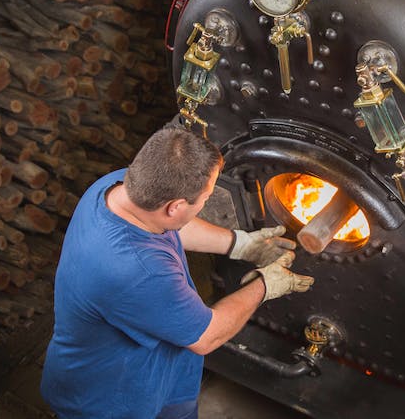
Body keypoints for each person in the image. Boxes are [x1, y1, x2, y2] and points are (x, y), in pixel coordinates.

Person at [40, 126, 314, 419]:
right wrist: (265, 285)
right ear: (176, 206)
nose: (206, 202)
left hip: (157, 374)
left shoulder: (119, 188)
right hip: (112, 398)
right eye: (206, 198)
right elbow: (207, 335)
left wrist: (240, 244)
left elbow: (170, 227)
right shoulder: (138, 271)